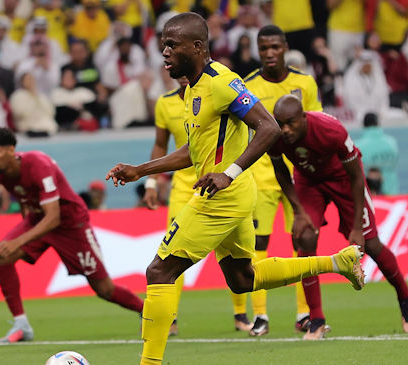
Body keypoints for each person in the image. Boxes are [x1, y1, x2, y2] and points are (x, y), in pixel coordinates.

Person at [105, 13, 365, 364]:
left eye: (171, 45)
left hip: (222, 197)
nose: (164, 52)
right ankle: (337, 261)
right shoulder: (193, 88)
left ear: (197, 47)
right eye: (163, 44)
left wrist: (228, 172)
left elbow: (269, 128)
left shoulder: (222, 82)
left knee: (159, 271)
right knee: (243, 279)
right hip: (230, 194)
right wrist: (142, 170)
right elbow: (193, 151)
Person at [268, 95, 408, 340]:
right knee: (305, 238)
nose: (285, 129)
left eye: (290, 123)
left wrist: (358, 228)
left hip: (344, 180)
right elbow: (280, 170)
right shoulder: (274, 135)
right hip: (309, 182)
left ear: (303, 118)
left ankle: (406, 296)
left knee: (370, 244)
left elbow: (357, 175)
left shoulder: (331, 130)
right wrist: (298, 211)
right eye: (280, 123)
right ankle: (316, 319)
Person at [0, 127, 144, 343]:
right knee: (2, 255)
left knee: (104, 289)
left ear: (11, 149)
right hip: (39, 220)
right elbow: (23, 197)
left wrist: (19, 240)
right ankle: (22, 325)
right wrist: (22, 232)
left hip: (70, 224)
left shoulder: (38, 164)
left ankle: (152, 312)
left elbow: (54, 217)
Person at [240, 24, 323, 337]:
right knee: (257, 245)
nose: (270, 54)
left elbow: (317, 126)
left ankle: (305, 313)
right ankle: (260, 315)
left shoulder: (304, 83)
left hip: (299, 176)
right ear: (258, 50)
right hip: (260, 177)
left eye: (275, 47)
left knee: (301, 242)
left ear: (285, 46)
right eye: (264, 48)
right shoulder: (246, 86)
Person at [143, 76, 193, 336]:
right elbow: (160, 145)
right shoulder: (164, 103)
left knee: (231, 250)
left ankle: (242, 314)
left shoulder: (215, 92)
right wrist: (152, 183)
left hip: (222, 181)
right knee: (174, 251)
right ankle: (170, 317)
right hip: (183, 186)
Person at [355, 113, 399, 195]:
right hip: (392, 194)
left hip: (370, 196)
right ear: (378, 124)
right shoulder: (392, 143)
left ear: (363, 125)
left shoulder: (358, 146)